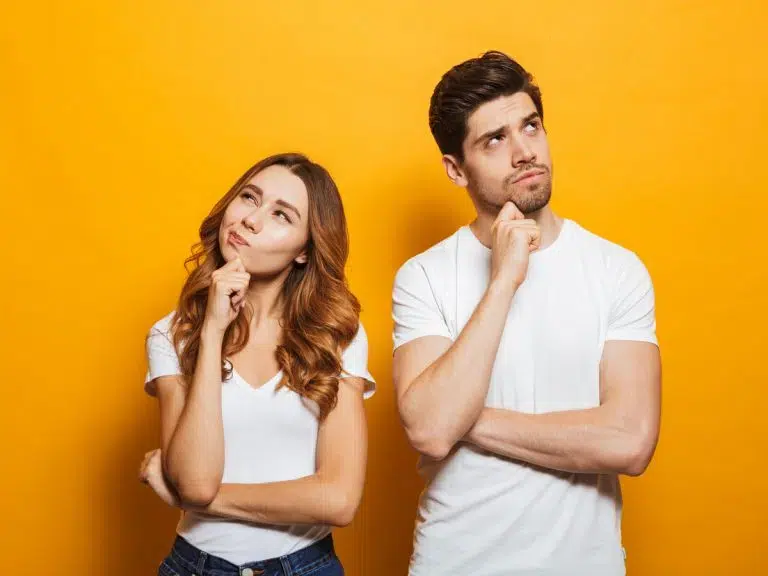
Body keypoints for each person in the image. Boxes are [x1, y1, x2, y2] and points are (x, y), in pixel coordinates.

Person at [392, 51, 661, 575]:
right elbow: (428, 431)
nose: (524, 152)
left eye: (531, 127)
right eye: (494, 139)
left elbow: (629, 442)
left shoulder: (616, 269)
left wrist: (462, 418)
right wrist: (505, 279)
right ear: (455, 169)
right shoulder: (423, 275)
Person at [139, 152, 375, 576]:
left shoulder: (335, 336)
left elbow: (338, 499)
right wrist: (212, 331)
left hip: (306, 567)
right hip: (196, 566)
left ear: (304, 251)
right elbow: (194, 477)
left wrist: (197, 500)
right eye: (249, 198)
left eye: (282, 215)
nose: (251, 219)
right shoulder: (172, 334)